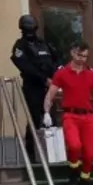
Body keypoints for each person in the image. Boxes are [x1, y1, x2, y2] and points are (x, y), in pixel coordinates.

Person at [43, 41, 93, 185]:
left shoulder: (91, 74)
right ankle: (74, 172)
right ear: (72, 53)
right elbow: (50, 94)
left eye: (85, 56)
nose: (82, 59)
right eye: (80, 55)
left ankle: (84, 183)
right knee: (74, 145)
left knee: (89, 153)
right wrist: (46, 112)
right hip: (70, 115)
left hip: (88, 117)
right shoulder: (62, 73)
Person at [10, 14, 57, 160]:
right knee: (35, 118)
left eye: (31, 28)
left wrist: (53, 78)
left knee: (51, 118)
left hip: (49, 86)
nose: (30, 32)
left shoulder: (43, 43)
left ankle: (52, 152)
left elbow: (54, 60)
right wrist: (43, 79)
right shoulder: (20, 46)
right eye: (27, 29)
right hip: (33, 86)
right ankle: (32, 153)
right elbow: (24, 66)